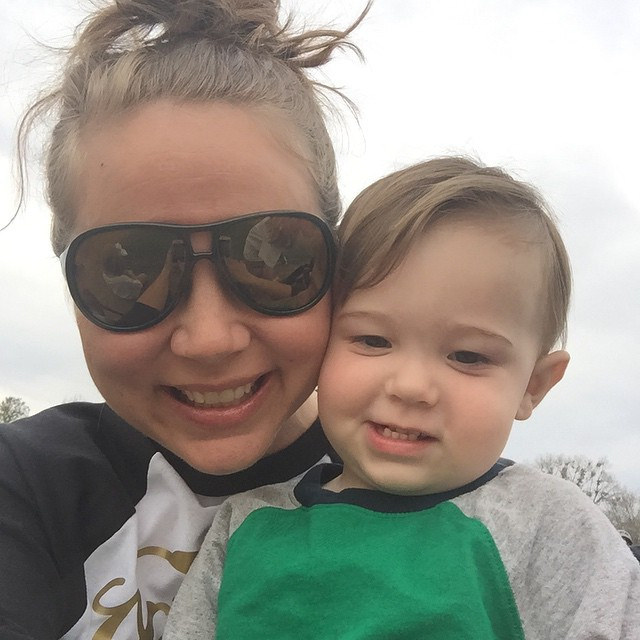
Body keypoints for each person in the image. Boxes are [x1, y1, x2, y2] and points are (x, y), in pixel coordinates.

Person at [0, 1, 370, 638]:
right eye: (127, 268)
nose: (209, 338)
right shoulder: (24, 491)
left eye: (275, 257)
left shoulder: (467, 503)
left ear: (338, 264)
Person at [164, 157, 640, 639]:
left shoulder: (547, 524)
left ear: (533, 386)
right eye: (373, 341)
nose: (411, 386)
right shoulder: (246, 525)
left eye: (469, 356)